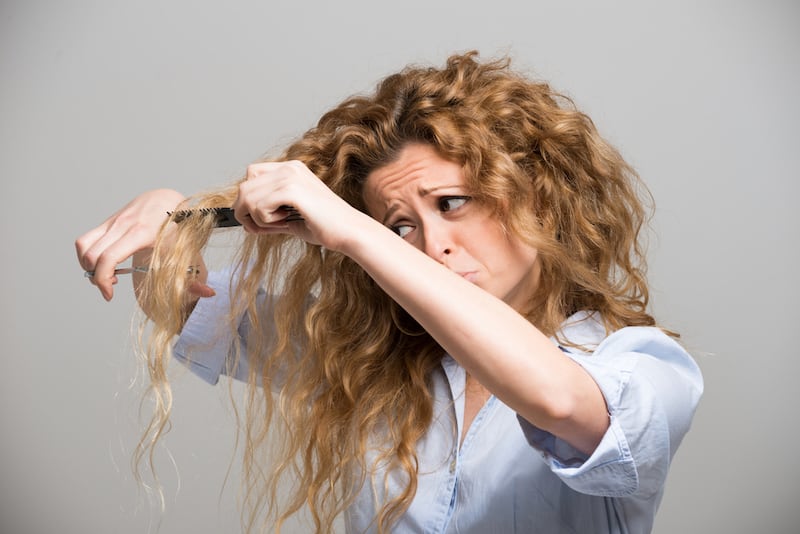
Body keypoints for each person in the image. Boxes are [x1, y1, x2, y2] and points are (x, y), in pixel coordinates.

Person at [75, 51, 703, 533]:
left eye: (453, 203)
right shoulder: (366, 367)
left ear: (537, 193)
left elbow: (562, 404)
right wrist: (166, 218)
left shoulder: (642, 368)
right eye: (401, 225)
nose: (431, 245)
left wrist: (353, 230)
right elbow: (185, 303)